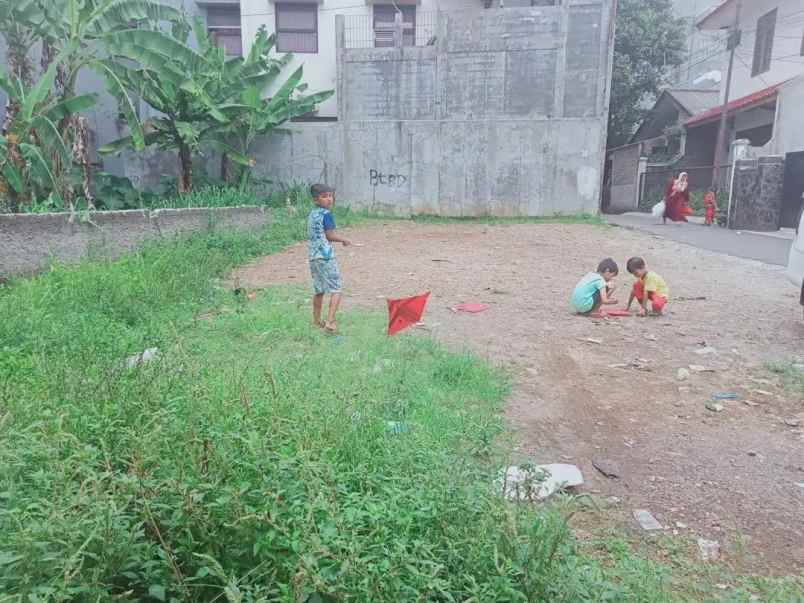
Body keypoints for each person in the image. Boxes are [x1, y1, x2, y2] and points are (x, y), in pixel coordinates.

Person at [308, 183, 351, 333]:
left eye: (330, 196)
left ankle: (316, 321)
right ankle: (330, 322)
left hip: (313, 257)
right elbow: (330, 235)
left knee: (319, 290)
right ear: (316, 200)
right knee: (336, 289)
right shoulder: (327, 215)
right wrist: (344, 240)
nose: (329, 199)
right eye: (324, 196)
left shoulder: (312, 214)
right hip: (326, 257)